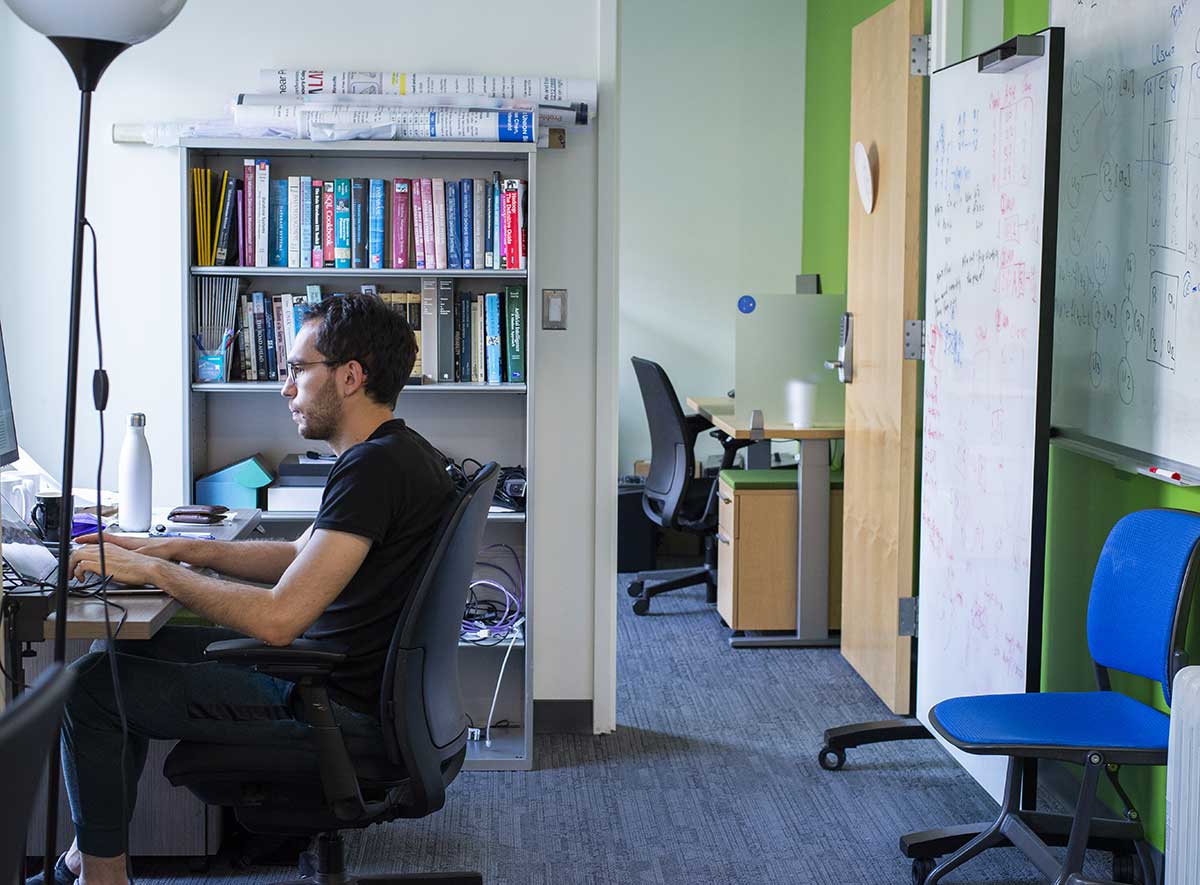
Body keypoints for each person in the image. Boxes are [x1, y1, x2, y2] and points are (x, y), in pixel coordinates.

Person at [35, 294, 457, 885]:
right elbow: (295, 556)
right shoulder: (399, 453)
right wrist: (172, 548)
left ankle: (101, 876)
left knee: (90, 688)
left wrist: (158, 575)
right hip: (355, 684)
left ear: (350, 376)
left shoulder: (373, 470)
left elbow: (280, 619)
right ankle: (91, 857)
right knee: (117, 653)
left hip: (334, 705)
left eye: (296, 369)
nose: (285, 387)